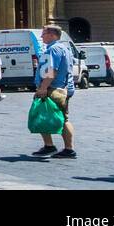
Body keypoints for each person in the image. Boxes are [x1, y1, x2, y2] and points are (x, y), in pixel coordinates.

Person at [33, 24, 76, 159]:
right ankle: (51, 146)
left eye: (44, 33)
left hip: (54, 88)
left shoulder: (54, 49)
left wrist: (43, 88)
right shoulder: (63, 48)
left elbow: (52, 70)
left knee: (51, 117)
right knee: (51, 116)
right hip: (61, 87)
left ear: (52, 35)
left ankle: (65, 148)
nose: (41, 36)